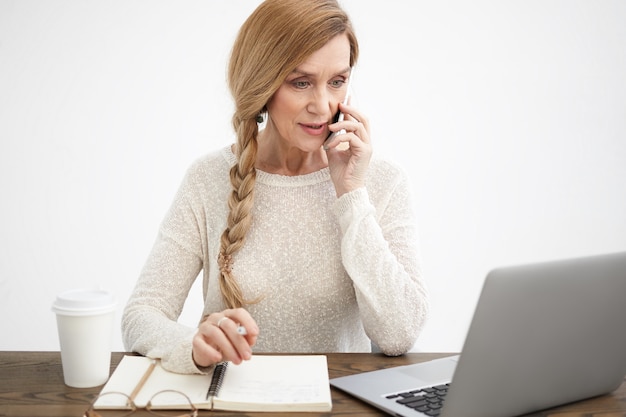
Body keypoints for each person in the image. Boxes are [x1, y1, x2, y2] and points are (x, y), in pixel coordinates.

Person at [122, 0, 429, 374]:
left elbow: (399, 335)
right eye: (301, 83)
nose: (322, 105)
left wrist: (351, 195)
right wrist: (192, 346)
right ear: (262, 84)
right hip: (234, 401)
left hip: (335, 404)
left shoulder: (380, 181)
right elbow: (141, 314)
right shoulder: (208, 178)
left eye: (338, 81)